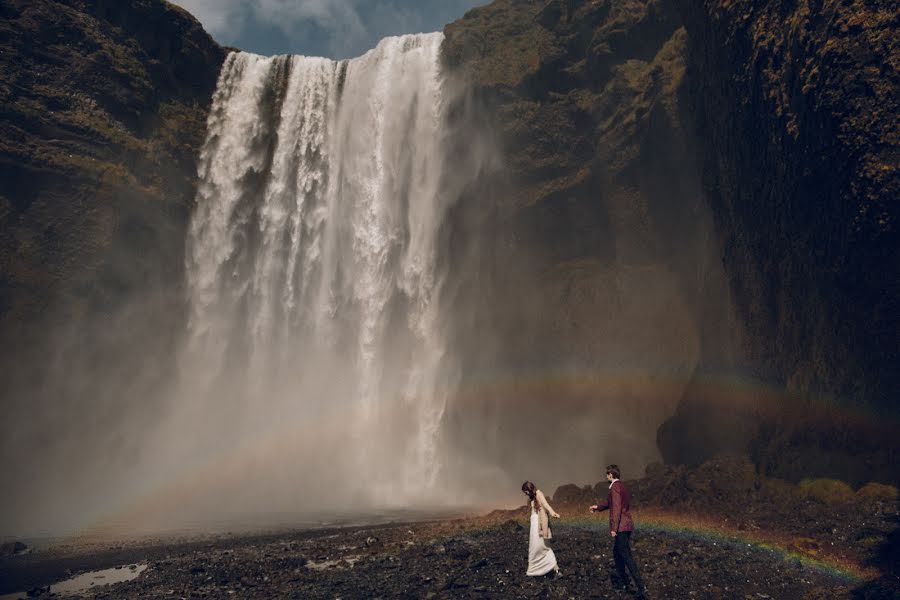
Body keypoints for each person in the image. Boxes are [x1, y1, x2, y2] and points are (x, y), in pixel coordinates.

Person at [589, 465, 648, 598]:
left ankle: (641, 586)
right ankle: (625, 583)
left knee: (626, 556)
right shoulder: (622, 486)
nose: (606, 476)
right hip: (627, 526)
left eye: (607, 474)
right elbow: (611, 504)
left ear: (611, 475)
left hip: (621, 527)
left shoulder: (615, 487)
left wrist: (614, 529)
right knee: (617, 554)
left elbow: (616, 508)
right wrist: (597, 507)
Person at [521, 481, 561, 577]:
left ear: (529, 488)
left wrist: (553, 513)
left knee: (543, 546)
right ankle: (535, 570)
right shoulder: (532, 497)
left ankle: (555, 569)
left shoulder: (539, 493)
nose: (525, 494)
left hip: (539, 525)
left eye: (525, 491)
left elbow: (546, 504)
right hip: (534, 525)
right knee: (534, 548)